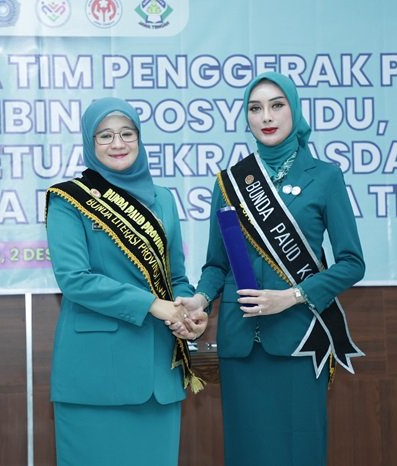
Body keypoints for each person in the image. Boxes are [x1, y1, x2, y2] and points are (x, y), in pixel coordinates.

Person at [173, 72, 365, 465]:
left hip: (299, 338)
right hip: (240, 344)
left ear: (294, 110)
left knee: (299, 450)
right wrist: (201, 298)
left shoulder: (325, 177)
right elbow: (216, 264)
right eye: (255, 108)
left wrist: (292, 296)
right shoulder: (229, 182)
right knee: (246, 451)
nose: (266, 116)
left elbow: (352, 264)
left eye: (277, 105)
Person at [45, 97, 207, 466]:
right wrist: (152, 304)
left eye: (126, 133)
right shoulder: (68, 199)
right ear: (90, 142)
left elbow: (175, 277)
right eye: (105, 136)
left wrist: (189, 311)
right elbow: (75, 280)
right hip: (95, 375)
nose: (117, 143)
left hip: (158, 373)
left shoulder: (163, 199)